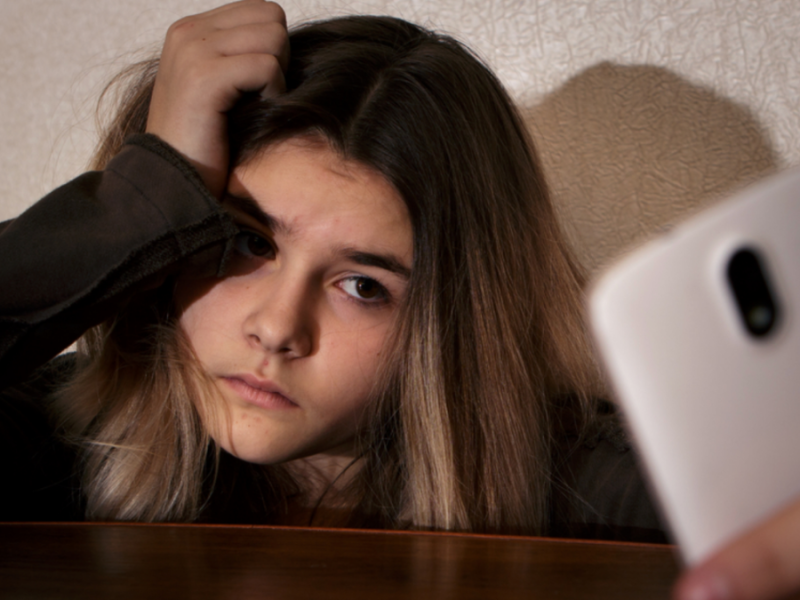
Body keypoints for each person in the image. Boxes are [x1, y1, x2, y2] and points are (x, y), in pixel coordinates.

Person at [1, 0, 664, 538]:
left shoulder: (602, 498)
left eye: (363, 286)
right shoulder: (58, 446)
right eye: (248, 242)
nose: (276, 329)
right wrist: (141, 198)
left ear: (454, 320)